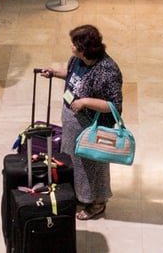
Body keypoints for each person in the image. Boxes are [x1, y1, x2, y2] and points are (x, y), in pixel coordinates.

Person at [40, 24, 123, 222]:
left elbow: (114, 106)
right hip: (72, 123)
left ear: (85, 49)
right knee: (73, 162)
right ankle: (81, 194)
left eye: (75, 45)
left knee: (91, 166)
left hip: (90, 128)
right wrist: (53, 72)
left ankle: (96, 203)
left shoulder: (108, 71)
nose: (71, 47)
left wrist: (85, 101)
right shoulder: (77, 60)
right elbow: (71, 75)